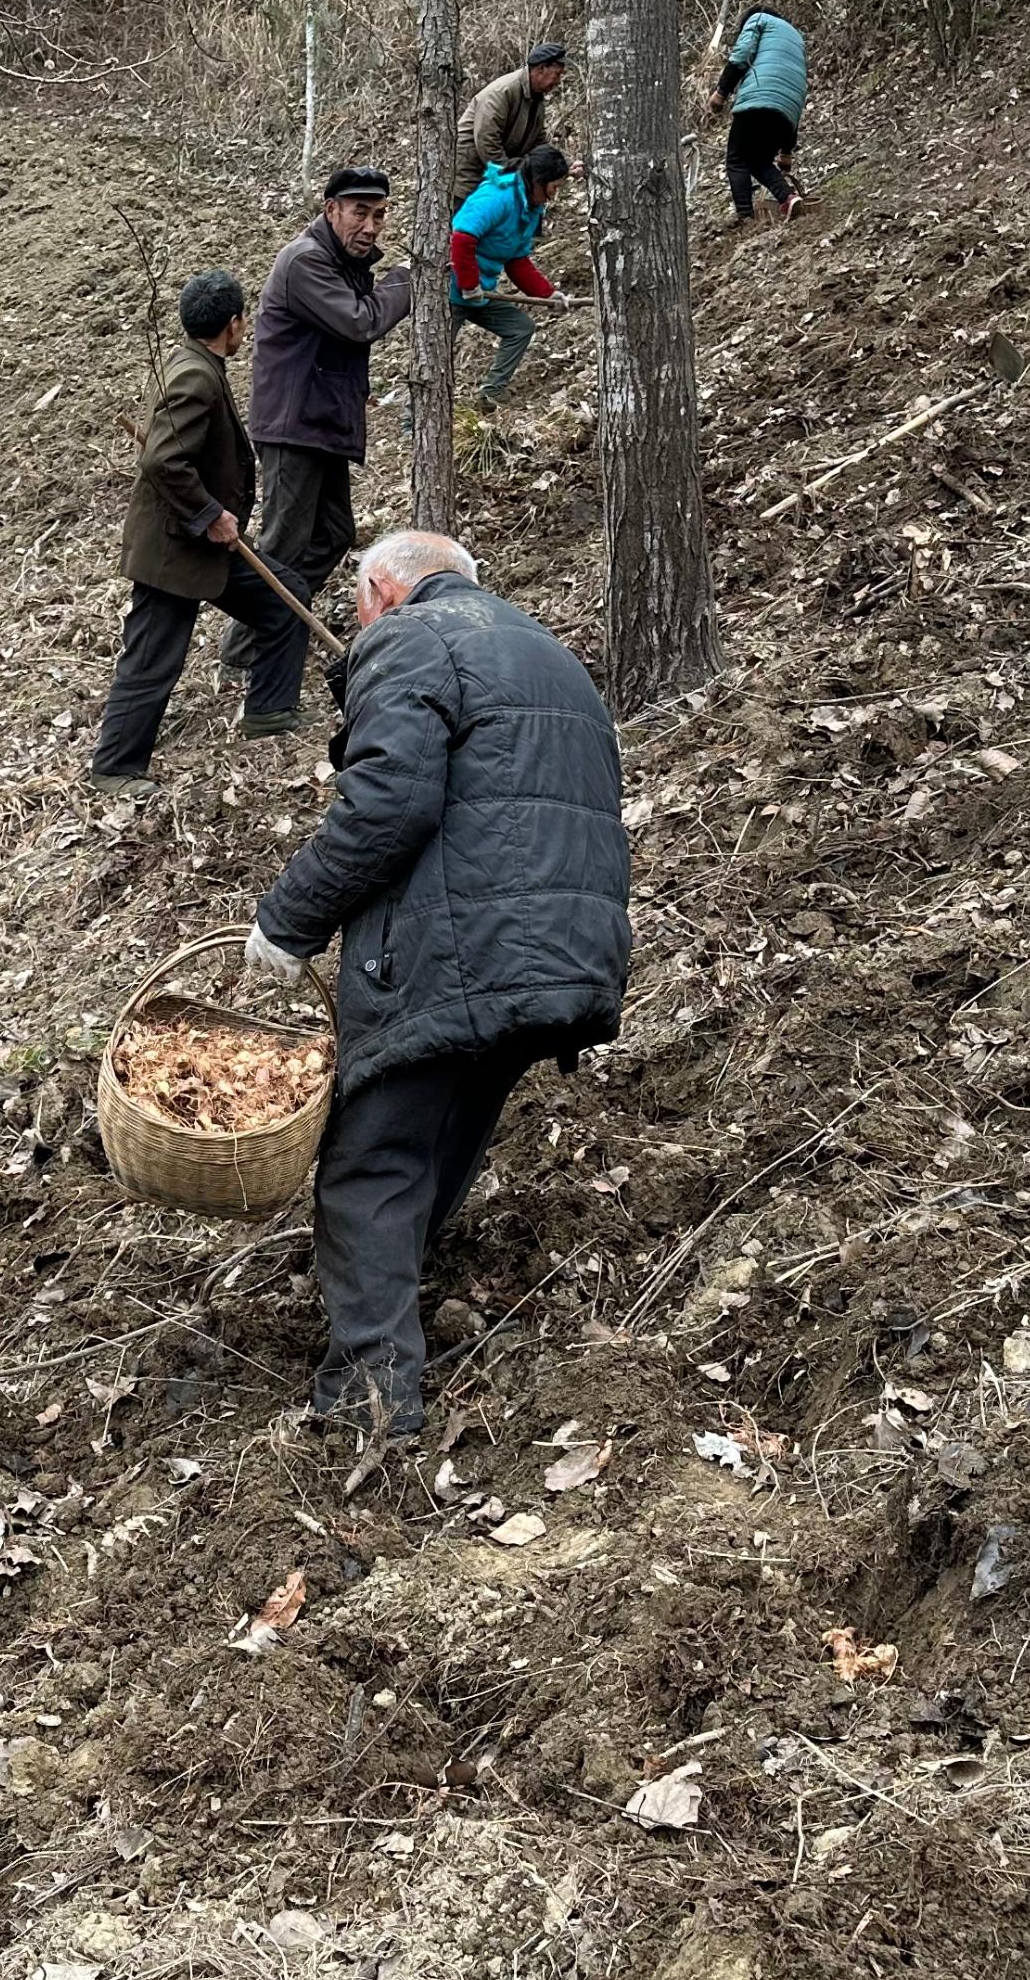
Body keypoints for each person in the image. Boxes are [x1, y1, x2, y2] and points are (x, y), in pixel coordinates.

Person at [245, 533, 630, 1469]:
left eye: (354, 609)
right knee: (437, 1132)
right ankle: (393, 1308)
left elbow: (388, 803)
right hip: (561, 956)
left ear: (382, 589)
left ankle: (371, 1399)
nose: (353, 625)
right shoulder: (546, 651)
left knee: (367, 1164)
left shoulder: (408, 640)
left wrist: (288, 920)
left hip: (452, 948)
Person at [90, 273, 311, 788]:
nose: (245, 329)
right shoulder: (195, 376)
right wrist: (210, 513)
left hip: (202, 541)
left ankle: (269, 713)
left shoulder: (190, 362)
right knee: (152, 658)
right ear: (233, 324)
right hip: (177, 546)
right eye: (243, 322)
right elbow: (165, 459)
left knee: (285, 601)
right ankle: (115, 769)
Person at [238, 167, 417, 658]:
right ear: (331, 209)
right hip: (294, 425)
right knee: (283, 543)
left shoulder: (341, 263)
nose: (371, 226)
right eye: (360, 213)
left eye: (379, 215)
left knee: (335, 532)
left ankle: (278, 619)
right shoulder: (306, 262)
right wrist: (407, 280)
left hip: (320, 422)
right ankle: (244, 649)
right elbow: (360, 322)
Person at [448, 145, 568, 410]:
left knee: (520, 328)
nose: (554, 195)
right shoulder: (497, 196)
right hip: (450, 291)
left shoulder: (530, 209)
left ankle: (491, 393)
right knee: (436, 358)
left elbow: (517, 261)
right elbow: (462, 237)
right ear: (538, 181)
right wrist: (468, 285)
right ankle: (414, 422)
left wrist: (548, 295)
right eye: (554, 187)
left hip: (481, 292)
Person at [713, 0, 808, 223]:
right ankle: (788, 198)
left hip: (759, 97)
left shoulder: (758, 19)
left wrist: (721, 92)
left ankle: (745, 216)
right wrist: (787, 150)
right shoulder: (796, 38)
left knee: (737, 159)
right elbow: (793, 88)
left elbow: (741, 56)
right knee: (759, 161)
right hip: (788, 111)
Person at [468, 42, 572, 174]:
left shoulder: (536, 98)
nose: (558, 81)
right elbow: (487, 142)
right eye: (557, 74)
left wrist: (564, 164)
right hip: (473, 177)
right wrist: (513, 175)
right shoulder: (502, 92)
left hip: (494, 176)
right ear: (541, 68)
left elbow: (538, 144)